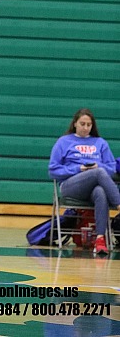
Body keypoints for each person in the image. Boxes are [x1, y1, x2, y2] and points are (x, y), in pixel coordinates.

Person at [49, 108, 120, 255]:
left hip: (93, 185)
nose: (86, 128)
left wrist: (97, 166)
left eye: (89, 125)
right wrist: (78, 168)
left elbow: (113, 168)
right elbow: (53, 170)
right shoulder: (64, 141)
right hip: (70, 186)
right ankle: (118, 203)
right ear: (75, 123)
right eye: (82, 124)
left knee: (100, 191)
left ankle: (100, 240)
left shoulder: (100, 143)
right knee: (99, 172)